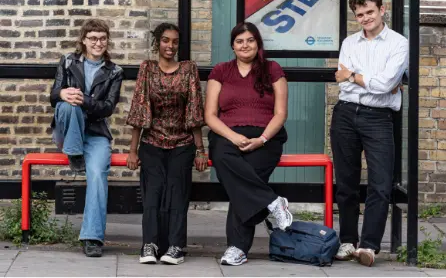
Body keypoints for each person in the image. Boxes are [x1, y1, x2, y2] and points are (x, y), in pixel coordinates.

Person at [331, 0, 409, 267]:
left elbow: (386, 84)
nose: (365, 18)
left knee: (380, 183)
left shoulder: (398, 43)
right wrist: (360, 78)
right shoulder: (349, 43)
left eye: (370, 12)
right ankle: (347, 241)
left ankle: (369, 246)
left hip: (378, 118)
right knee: (347, 183)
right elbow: (347, 81)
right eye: (359, 14)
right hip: (345, 114)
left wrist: (353, 74)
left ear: (382, 10)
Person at [205, 21, 293, 266]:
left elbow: (280, 113)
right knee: (225, 159)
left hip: (266, 137)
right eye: (239, 41)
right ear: (233, 46)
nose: (245, 45)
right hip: (227, 134)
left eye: (250, 40)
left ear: (258, 43)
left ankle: (237, 248)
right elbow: (210, 115)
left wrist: (262, 139)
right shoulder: (221, 71)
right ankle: (272, 202)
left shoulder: (273, 69)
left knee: (243, 179)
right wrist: (232, 136)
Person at [126, 23, 207, 265]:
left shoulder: (188, 69)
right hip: (152, 141)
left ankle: (175, 246)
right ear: (157, 43)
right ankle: (149, 245)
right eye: (165, 40)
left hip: (182, 142)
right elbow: (139, 110)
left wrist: (200, 149)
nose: (170, 46)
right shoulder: (147, 69)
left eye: (174, 41)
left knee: (177, 193)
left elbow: (194, 109)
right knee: (152, 193)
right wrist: (132, 150)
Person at [49, 18, 124, 257]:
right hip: (67, 126)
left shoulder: (114, 71)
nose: (98, 43)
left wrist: (86, 101)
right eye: (92, 38)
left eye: (102, 38)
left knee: (97, 175)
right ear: (83, 40)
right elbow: (53, 96)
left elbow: (108, 107)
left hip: (95, 133)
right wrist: (63, 93)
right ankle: (74, 151)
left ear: (107, 41)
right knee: (69, 104)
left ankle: (92, 238)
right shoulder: (68, 61)